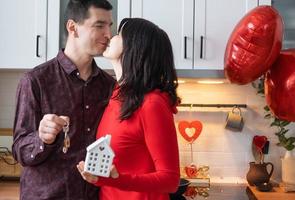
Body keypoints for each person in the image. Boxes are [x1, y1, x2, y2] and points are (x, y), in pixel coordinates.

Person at [12, 0, 115, 199]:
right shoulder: (35, 81)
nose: (108, 35)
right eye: (99, 25)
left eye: (109, 26)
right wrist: (41, 139)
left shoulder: (108, 86)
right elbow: (19, 151)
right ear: (72, 27)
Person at [77, 18, 181, 200]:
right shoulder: (116, 94)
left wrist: (116, 180)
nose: (110, 36)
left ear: (135, 48)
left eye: (119, 34)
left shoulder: (152, 105)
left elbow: (170, 180)